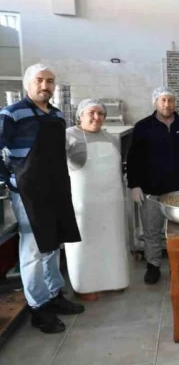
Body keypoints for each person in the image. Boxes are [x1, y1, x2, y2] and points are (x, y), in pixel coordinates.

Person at [0, 64, 84, 334]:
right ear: (28, 83)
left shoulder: (57, 115)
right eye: (39, 80)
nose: (45, 86)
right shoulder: (12, 114)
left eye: (49, 81)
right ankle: (38, 307)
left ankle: (54, 293)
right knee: (34, 250)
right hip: (28, 193)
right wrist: (9, 179)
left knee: (53, 244)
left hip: (55, 188)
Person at [127, 87, 179, 284]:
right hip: (151, 191)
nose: (167, 104)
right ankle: (153, 265)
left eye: (170, 100)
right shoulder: (143, 127)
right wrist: (134, 185)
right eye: (163, 100)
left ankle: (177, 265)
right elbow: (133, 159)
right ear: (155, 102)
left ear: (175, 103)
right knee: (152, 231)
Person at [65, 99, 129, 301]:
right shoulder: (68, 136)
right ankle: (84, 286)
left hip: (111, 201)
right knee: (85, 245)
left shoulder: (111, 138)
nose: (96, 117)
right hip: (83, 203)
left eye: (100, 114)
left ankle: (114, 281)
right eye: (91, 113)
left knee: (112, 242)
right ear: (80, 115)